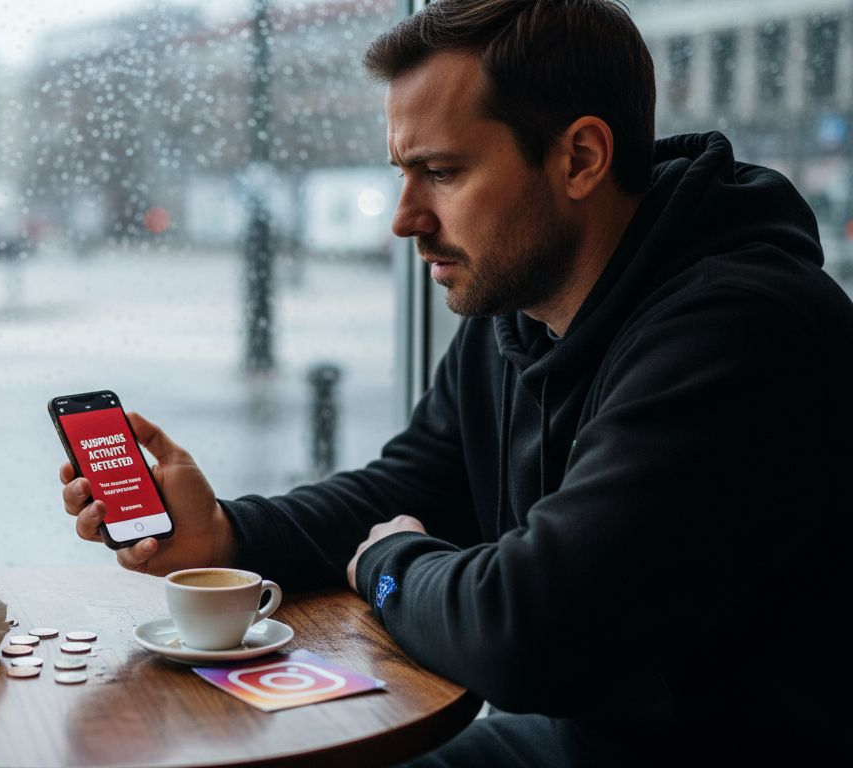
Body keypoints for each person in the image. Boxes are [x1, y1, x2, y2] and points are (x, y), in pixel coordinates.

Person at [58, 1, 853, 764]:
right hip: (589, 742)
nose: (404, 218)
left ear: (580, 158)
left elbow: (526, 630)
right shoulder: (518, 311)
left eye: (440, 172)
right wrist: (226, 536)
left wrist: (389, 563)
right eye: (403, 172)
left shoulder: (740, 332)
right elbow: (410, 486)